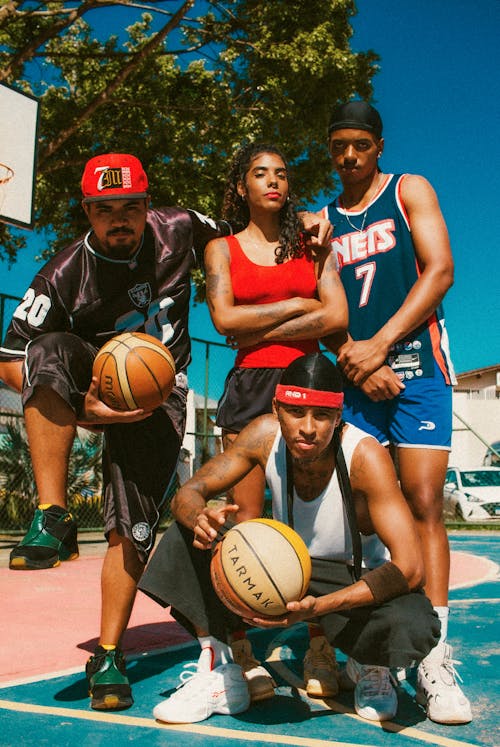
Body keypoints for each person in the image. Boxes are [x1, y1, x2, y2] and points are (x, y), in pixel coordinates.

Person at [0, 152, 240, 712]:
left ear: (148, 206)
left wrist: (301, 225)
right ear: (87, 211)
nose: (120, 219)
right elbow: (9, 359)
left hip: (164, 389)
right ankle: (52, 514)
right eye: (106, 209)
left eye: (131, 206)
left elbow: (241, 229)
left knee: (131, 532)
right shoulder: (62, 275)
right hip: (94, 381)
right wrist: (86, 409)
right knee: (48, 350)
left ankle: (107, 653)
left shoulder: (181, 227)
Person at [139, 352, 440, 725]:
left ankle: (369, 665)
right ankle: (221, 671)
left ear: (339, 416)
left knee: (413, 620)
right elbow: (190, 491)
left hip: (352, 578)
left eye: (322, 415)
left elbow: (410, 568)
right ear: (278, 407)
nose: (308, 428)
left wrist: (322, 607)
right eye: (297, 413)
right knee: (189, 537)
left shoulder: (365, 456)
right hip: (283, 566)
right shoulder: (264, 436)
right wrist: (198, 516)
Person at [320, 100, 471, 724]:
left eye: (360, 144)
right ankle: (376, 654)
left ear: (379, 145)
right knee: (362, 510)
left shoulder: (408, 189)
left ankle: (434, 654)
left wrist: (381, 344)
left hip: (417, 369)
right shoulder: (321, 222)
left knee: (422, 502)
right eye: (338, 146)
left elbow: (440, 272)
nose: (350, 156)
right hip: (358, 374)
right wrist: (356, 357)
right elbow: (322, 306)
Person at [203, 142, 348, 698]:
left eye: (282, 174)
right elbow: (222, 318)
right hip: (249, 388)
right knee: (244, 518)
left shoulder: (313, 243)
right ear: (241, 186)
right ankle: (239, 647)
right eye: (260, 174)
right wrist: (295, 307)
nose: (273, 182)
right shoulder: (220, 249)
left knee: (315, 524)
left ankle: (319, 643)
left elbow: (335, 315)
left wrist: (258, 323)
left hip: (309, 385)